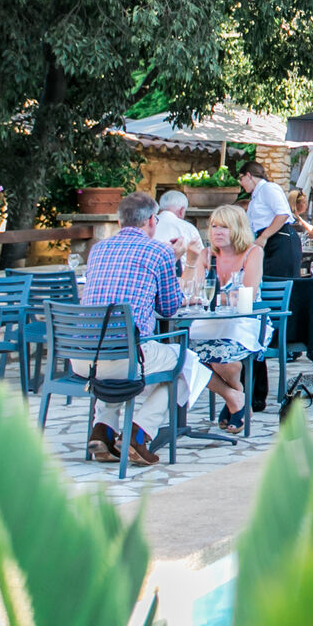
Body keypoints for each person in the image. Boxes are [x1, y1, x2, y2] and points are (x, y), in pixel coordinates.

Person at [78, 191, 189, 466]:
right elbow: (169, 308)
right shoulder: (159, 251)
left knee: (119, 354)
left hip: (83, 359)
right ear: (151, 220)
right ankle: (138, 433)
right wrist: (173, 258)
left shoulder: (98, 250)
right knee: (185, 364)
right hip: (125, 358)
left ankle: (103, 431)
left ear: (119, 222)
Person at [185, 204, 269, 432]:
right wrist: (191, 261)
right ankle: (236, 396)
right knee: (185, 355)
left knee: (223, 360)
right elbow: (193, 290)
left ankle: (234, 398)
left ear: (238, 229)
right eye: (214, 226)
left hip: (245, 321)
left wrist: (211, 297)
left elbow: (247, 296)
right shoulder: (206, 255)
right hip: (210, 321)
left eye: (224, 227)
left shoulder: (253, 252)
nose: (217, 232)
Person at [237, 161, 300, 280]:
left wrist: (264, 237)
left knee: (278, 281)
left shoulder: (268, 188)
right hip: (268, 241)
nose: (241, 183)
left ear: (249, 175)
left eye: (241, 178)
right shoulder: (256, 195)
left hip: (280, 240)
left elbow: (283, 214)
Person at [149, 190, 202, 264]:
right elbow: (200, 257)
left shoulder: (148, 224)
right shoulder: (188, 228)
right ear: (181, 210)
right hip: (183, 269)